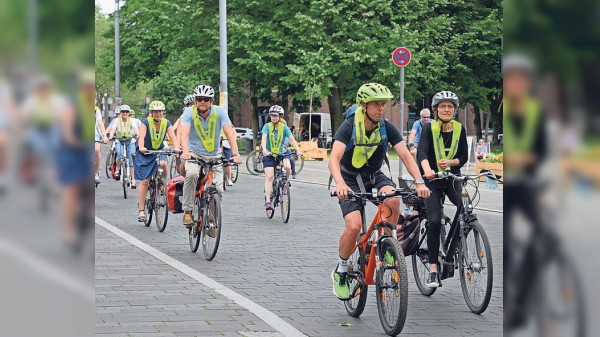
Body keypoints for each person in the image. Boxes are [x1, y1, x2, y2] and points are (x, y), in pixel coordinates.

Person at [329, 83, 430, 299]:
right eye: (376, 104)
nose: (381, 109)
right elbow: (333, 159)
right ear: (363, 105)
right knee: (354, 226)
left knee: (393, 199)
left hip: (374, 175)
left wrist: (420, 182)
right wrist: (340, 184)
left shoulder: (386, 126)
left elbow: (405, 155)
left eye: (383, 104)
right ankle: (341, 269)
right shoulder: (349, 126)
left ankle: (386, 245)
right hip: (348, 178)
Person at [502, 53, 547, 328]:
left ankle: (523, 297)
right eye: (512, 78)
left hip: (529, 183)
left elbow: (543, 150)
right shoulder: (504, 110)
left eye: (522, 79)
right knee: (506, 241)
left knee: (540, 236)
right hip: (507, 186)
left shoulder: (535, 110)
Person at [417, 90, 468, 287]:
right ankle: (432, 269)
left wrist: (451, 162)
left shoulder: (460, 129)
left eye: (450, 106)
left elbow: (463, 156)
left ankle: (456, 242)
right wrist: (428, 170)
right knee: (435, 220)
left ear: (454, 110)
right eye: (442, 106)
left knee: (466, 207)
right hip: (432, 180)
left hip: (451, 178)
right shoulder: (429, 128)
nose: (446, 109)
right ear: (436, 110)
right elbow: (421, 152)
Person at [179, 84, 242, 226]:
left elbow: (229, 133)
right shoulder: (189, 113)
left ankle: (212, 219)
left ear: (211, 101)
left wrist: (236, 154)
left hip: (215, 155)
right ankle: (187, 211)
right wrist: (186, 152)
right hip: (194, 154)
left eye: (206, 99)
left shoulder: (220, 112)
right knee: (192, 174)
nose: (202, 102)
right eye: (199, 99)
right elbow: (184, 133)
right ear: (195, 100)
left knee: (218, 189)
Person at [135, 100, 178, 222]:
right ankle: (142, 210)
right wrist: (142, 147)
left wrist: (176, 147)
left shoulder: (167, 122)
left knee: (163, 163)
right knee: (144, 181)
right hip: (146, 152)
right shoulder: (145, 122)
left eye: (160, 111)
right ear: (151, 112)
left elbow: (173, 136)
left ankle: (161, 184)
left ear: (163, 112)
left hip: (159, 150)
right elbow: (141, 136)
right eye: (155, 111)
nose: (158, 113)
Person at [261, 105, 302, 210]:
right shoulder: (267, 126)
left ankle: (285, 182)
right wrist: (265, 150)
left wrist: (298, 150)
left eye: (276, 116)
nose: (273, 118)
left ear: (280, 116)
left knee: (288, 167)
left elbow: (292, 140)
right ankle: (268, 201)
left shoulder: (284, 127)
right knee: (269, 177)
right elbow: (264, 139)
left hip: (282, 153)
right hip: (269, 154)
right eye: (272, 116)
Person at [108, 104, 139, 188]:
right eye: (123, 112)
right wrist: (110, 136)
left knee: (132, 159)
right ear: (120, 113)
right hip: (119, 140)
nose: (125, 113)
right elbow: (113, 128)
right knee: (119, 154)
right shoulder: (116, 120)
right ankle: (118, 169)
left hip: (130, 141)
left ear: (128, 113)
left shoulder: (131, 120)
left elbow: (135, 128)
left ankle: (133, 180)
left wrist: (139, 135)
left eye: (126, 112)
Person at [94, 105, 108, 184]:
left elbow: (100, 122)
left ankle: (95, 173)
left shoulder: (96, 109)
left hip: (94, 134)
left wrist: (104, 135)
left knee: (96, 150)